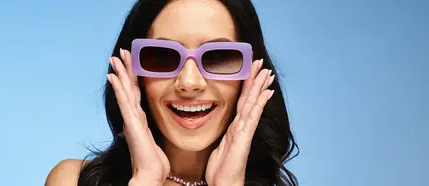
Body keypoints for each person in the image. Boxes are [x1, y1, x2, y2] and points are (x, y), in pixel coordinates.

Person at [45, 0, 298, 185]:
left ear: (252, 74)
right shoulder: (72, 180)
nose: (189, 83)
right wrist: (145, 180)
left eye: (218, 58)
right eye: (162, 56)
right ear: (134, 73)